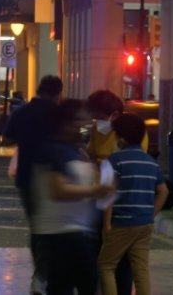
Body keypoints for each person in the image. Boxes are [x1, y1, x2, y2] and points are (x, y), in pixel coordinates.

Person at [32, 98, 114, 295]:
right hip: (62, 234)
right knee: (80, 285)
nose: (85, 125)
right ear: (65, 123)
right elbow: (58, 190)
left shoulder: (74, 151)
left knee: (70, 286)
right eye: (79, 120)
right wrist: (96, 190)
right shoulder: (54, 151)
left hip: (76, 232)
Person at [5, 75, 64, 295]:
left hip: (27, 176)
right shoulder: (57, 114)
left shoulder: (22, 112)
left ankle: (40, 275)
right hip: (52, 174)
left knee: (37, 227)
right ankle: (46, 274)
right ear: (57, 92)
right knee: (54, 226)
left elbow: (8, 137)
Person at [97, 113, 167, 295]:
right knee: (141, 270)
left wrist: (106, 224)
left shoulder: (114, 160)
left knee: (106, 265)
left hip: (121, 222)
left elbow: (107, 193)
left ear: (121, 139)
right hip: (144, 224)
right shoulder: (151, 163)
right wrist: (151, 214)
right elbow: (163, 191)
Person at [86, 89, 143, 295]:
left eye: (100, 116)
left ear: (114, 114)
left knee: (120, 256)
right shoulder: (96, 129)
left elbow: (131, 163)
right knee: (97, 247)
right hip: (98, 192)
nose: (97, 121)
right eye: (94, 116)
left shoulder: (130, 131)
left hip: (120, 196)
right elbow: (92, 154)